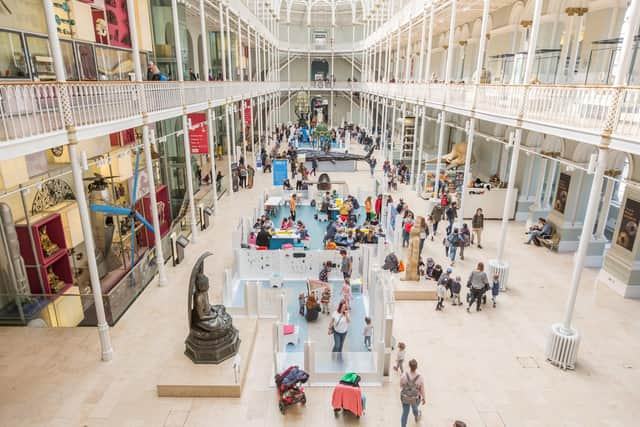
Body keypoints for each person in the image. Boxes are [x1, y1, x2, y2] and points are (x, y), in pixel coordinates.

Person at [399, 359, 425, 427]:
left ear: (409, 366)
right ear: (416, 367)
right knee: (415, 407)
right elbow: (422, 389)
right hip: (415, 398)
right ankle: (417, 415)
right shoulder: (420, 377)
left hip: (405, 397)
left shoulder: (404, 375)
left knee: (405, 413)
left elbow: (401, 385)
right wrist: (424, 398)